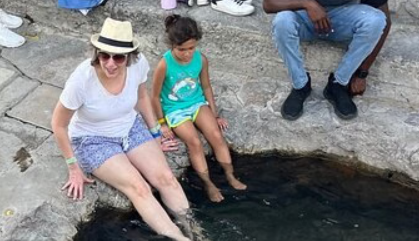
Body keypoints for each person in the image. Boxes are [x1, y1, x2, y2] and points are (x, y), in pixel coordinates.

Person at [51, 18, 220, 241]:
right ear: (97, 53)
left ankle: (196, 231)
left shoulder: (139, 64)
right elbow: (58, 124)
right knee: (139, 188)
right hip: (93, 139)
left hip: (130, 126)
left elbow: (142, 95)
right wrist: (73, 167)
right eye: (104, 56)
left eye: (118, 58)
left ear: (130, 56)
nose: (110, 63)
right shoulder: (81, 80)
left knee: (166, 179)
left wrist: (154, 134)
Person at [152, 15, 248, 203]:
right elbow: (154, 96)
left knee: (216, 135)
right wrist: (162, 123)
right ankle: (208, 183)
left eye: (191, 48)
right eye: (182, 49)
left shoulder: (201, 59)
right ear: (172, 45)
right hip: (174, 109)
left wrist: (214, 114)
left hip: (196, 103)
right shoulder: (164, 64)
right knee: (194, 142)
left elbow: (206, 87)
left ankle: (230, 175)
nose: (188, 54)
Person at [263, 0, 391, 120]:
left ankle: (338, 84)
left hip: (342, 20)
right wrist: (307, 3)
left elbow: (385, 22)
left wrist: (362, 73)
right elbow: (268, 4)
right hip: (305, 17)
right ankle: (300, 85)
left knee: (376, 20)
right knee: (282, 21)